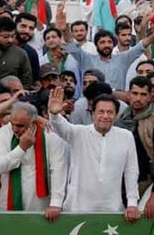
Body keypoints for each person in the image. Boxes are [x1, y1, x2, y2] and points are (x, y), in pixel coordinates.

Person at [48, 90, 140, 222]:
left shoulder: (126, 136)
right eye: (101, 112)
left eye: (110, 112)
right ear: (92, 114)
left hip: (112, 210)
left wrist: (132, 204)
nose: (105, 116)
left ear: (116, 115)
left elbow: (131, 171)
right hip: (77, 210)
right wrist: (54, 115)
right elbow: (61, 128)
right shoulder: (78, 133)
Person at [0, 102, 66, 221]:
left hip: (41, 205)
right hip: (9, 203)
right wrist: (21, 148)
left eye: (20, 126)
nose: (15, 129)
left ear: (33, 122)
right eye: (13, 124)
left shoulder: (50, 135)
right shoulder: (3, 133)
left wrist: (56, 203)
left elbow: (58, 170)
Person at [115, 76, 154, 218]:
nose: (138, 98)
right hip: (118, 180)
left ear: (150, 97)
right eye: (134, 93)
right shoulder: (121, 119)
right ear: (128, 94)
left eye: (143, 94)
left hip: (143, 182)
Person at [64, 26, 154, 90]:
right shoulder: (87, 59)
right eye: (102, 42)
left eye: (109, 42)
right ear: (96, 45)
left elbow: (141, 46)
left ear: (113, 44)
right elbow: (71, 46)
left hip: (117, 105)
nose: (106, 45)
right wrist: (64, 30)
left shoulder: (122, 59)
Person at [0, 16, 33, 88]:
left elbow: (27, 82)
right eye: (5, 37)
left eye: (13, 36)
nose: (10, 40)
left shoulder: (20, 54)